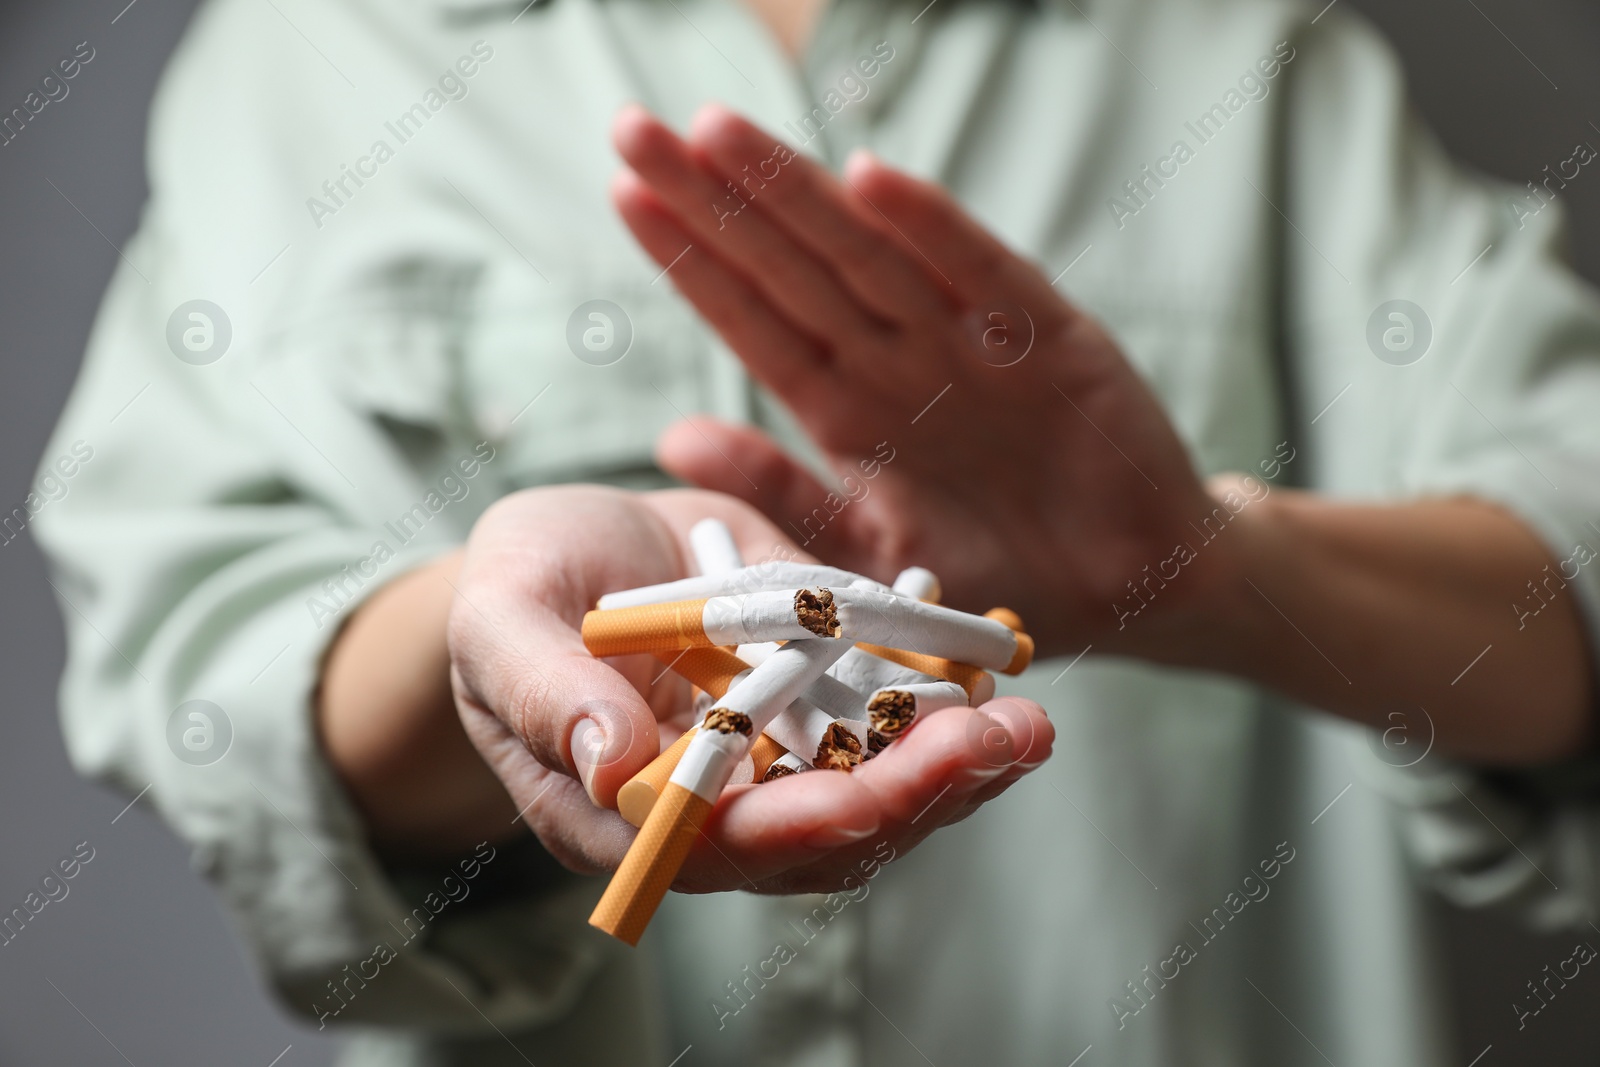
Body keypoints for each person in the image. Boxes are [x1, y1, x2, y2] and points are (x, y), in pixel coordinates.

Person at [34, 0, 1600, 1061]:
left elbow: (1570, 559)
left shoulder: (1249, 48)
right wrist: (485, 649)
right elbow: (199, 663)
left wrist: (1206, 571)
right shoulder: (314, 53)